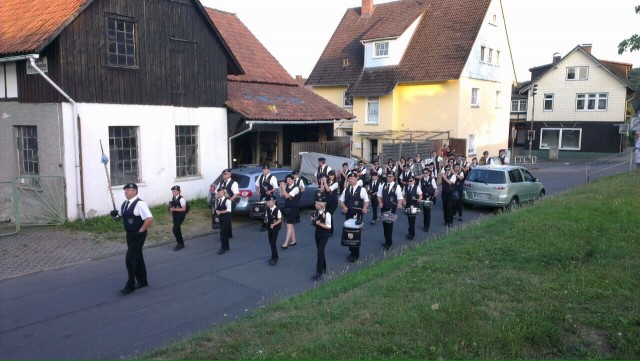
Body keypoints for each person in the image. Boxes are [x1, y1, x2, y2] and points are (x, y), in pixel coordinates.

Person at [110, 183, 153, 295]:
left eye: (128, 190)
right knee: (138, 257)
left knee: (130, 258)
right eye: (125, 190)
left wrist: (141, 231)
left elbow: (149, 219)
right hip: (129, 234)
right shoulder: (125, 204)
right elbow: (119, 217)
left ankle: (130, 285)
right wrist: (115, 215)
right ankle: (143, 281)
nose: (126, 192)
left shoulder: (140, 204)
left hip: (138, 235)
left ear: (135, 191)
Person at [338, 172, 369, 262]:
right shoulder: (346, 189)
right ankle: (351, 251)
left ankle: (355, 254)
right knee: (349, 232)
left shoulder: (361, 189)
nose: (349, 180)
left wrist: (364, 207)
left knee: (355, 233)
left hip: (357, 214)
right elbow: (341, 201)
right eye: (349, 178)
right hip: (348, 214)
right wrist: (343, 207)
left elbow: (366, 201)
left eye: (351, 178)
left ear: (356, 179)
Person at [377, 172, 404, 250]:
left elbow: (399, 197)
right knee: (384, 224)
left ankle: (389, 242)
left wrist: (399, 204)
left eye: (390, 177)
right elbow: (379, 195)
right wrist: (380, 202)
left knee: (389, 223)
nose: (388, 178)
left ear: (393, 178)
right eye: (388, 176)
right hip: (384, 206)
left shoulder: (397, 186)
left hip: (392, 207)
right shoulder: (383, 185)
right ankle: (387, 240)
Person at [311, 198, 332, 280]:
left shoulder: (327, 214)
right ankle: (324, 267)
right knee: (321, 251)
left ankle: (318, 272)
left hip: (324, 235)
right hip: (317, 234)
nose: (315, 205)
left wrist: (319, 224)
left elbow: (329, 227)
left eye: (316, 204)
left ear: (321, 205)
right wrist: (313, 221)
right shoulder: (316, 212)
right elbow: (314, 224)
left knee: (319, 252)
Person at [216, 169, 239, 238]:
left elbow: (236, 194)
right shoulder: (221, 183)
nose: (223, 175)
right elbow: (216, 192)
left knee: (227, 218)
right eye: (223, 174)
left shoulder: (233, 183)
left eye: (225, 174)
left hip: (229, 202)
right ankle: (228, 233)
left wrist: (230, 200)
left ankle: (225, 234)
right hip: (221, 202)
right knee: (224, 218)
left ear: (229, 174)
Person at [255, 165, 279, 231]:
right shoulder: (261, 176)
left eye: (265, 169)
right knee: (263, 210)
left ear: (269, 170)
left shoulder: (272, 177)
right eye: (263, 169)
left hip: (270, 196)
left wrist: (270, 191)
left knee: (270, 211)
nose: (264, 170)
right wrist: (257, 191)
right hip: (262, 196)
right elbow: (256, 185)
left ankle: (271, 224)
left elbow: (276, 187)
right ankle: (265, 224)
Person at [280, 174, 300, 249]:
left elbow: (287, 196)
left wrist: (284, 188)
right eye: (287, 180)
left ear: (293, 180)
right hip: (287, 207)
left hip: (293, 208)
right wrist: (281, 187)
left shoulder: (296, 188)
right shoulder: (287, 187)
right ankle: (294, 240)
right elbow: (281, 195)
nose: (287, 181)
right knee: (290, 225)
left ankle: (286, 243)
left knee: (289, 225)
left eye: (289, 180)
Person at [263, 195, 282, 265]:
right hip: (269, 228)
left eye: (269, 202)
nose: (268, 204)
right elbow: (266, 217)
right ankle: (275, 255)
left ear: (274, 202)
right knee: (271, 242)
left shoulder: (277, 210)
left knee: (273, 242)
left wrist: (273, 224)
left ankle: (274, 258)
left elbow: (279, 220)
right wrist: (265, 222)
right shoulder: (267, 209)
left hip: (276, 228)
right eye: (267, 202)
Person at [403, 176, 423, 240]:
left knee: (412, 219)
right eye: (408, 181)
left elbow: (420, 195)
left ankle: (412, 234)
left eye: (411, 181)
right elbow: (402, 195)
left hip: (414, 205)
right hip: (408, 205)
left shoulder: (417, 187)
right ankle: (410, 231)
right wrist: (404, 201)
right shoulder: (405, 187)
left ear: (414, 181)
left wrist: (419, 199)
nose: (409, 182)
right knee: (409, 219)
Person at [320, 170, 340, 235]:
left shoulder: (336, 183)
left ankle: (330, 231)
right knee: (326, 215)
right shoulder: (327, 182)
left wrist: (325, 182)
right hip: (327, 201)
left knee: (329, 215)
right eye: (329, 175)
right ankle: (327, 229)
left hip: (333, 202)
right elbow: (322, 190)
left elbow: (328, 190)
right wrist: (322, 183)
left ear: (334, 176)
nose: (330, 176)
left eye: (332, 175)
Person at [213, 188, 232, 254]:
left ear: (224, 193)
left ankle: (223, 248)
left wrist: (220, 212)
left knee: (222, 233)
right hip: (221, 218)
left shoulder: (227, 200)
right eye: (219, 192)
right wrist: (217, 211)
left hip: (226, 218)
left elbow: (229, 210)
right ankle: (227, 246)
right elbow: (216, 208)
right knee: (225, 233)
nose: (220, 193)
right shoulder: (218, 200)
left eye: (221, 192)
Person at [419, 168, 438, 232]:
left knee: (428, 212)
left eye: (426, 173)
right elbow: (419, 189)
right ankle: (425, 225)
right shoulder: (421, 180)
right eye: (424, 173)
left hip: (429, 198)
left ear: (429, 173)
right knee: (424, 212)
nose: (425, 174)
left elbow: (435, 188)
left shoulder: (432, 180)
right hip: (424, 198)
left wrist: (435, 192)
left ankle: (427, 226)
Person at [169, 185, 187, 251]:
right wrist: (171, 208)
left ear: (179, 191)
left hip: (180, 216)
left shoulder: (181, 199)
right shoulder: (173, 198)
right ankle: (181, 243)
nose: (173, 192)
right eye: (173, 191)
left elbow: (184, 209)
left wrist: (174, 210)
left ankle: (180, 243)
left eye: (175, 191)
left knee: (175, 229)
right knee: (177, 229)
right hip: (175, 216)